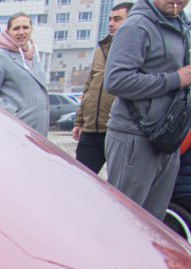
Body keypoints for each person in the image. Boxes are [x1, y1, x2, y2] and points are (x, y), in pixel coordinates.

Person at [105, 0, 191, 217]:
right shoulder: (136, 26)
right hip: (135, 137)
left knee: (152, 226)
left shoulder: (181, 26)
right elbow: (116, 81)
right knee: (124, 220)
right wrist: (174, 79)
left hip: (166, 138)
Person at [75, 3, 133, 173]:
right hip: (90, 131)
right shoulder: (101, 49)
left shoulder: (136, 49)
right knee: (80, 180)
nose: (111, 24)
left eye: (117, 19)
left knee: (118, 186)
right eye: (109, 19)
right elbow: (89, 87)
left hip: (117, 130)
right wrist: (79, 121)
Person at [0, 14, 50, 136]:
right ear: (8, 32)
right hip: (16, 131)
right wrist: (13, 113)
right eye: (16, 28)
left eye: (25, 27)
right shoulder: (0, 57)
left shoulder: (35, 57)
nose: (21, 32)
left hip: (39, 132)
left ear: (31, 30)